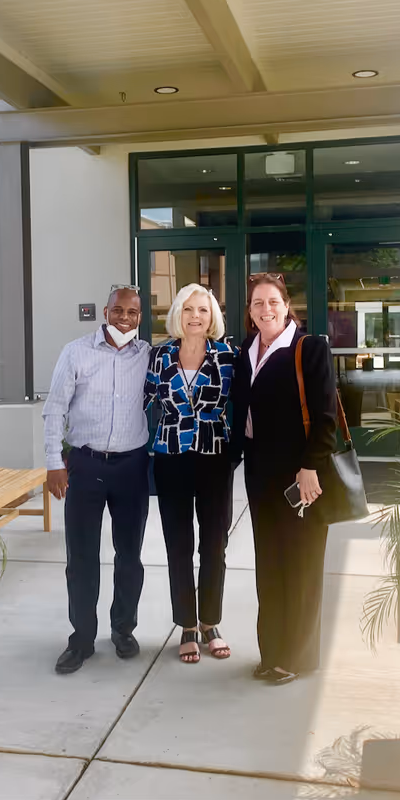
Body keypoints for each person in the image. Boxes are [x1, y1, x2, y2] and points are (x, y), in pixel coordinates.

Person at [230, 273, 338, 686]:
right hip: (260, 474)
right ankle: (271, 651)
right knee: (270, 567)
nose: (265, 309)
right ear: (250, 310)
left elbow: (326, 415)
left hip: (301, 477)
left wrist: (311, 465)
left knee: (302, 566)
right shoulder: (246, 350)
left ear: (286, 305)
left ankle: (297, 656)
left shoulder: (308, 348)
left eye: (272, 301)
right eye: (257, 303)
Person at [43, 285, 152, 675]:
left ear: (141, 317)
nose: (125, 318)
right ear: (105, 312)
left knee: (129, 557)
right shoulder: (76, 352)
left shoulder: (148, 356)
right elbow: (54, 409)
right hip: (85, 466)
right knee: (82, 557)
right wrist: (55, 463)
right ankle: (82, 639)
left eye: (133, 313)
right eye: (118, 310)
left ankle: (123, 629)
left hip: (132, 467)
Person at [145, 284, 237, 664]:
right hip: (171, 458)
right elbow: (141, 401)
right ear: (177, 316)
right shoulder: (159, 356)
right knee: (179, 545)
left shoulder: (228, 356)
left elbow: (247, 403)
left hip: (215, 458)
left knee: (214, 545)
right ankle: (186, 624)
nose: (195, 316)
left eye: (202, 309)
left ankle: (210, 623)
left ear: (212, 315)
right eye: (188, 310)